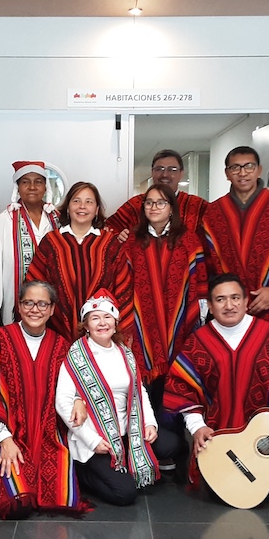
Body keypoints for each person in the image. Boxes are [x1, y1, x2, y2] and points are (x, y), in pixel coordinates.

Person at [165, 274, 269, 501]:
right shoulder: (198, 342)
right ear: (210, 305)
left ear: (246, 301)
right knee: (221, 493)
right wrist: (197, 427)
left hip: (265, 437)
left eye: (235, 298)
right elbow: (182, 388)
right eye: (220, 300)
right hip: (220, 440)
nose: (229, 306)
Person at [0, 281, 91, 519]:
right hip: (8, 435)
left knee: (60, 499)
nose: (35, 309)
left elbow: (77, 384)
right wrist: (4, 439)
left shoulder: (62, 346)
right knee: (16, 505)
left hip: (49, 437)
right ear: (19, 307)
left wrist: (79, 399)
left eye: (42, 304)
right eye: (28, 302)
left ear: (52, 310)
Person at [55, 289, 182, 506]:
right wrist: (92, 441)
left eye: (107, 317)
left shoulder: (124, 352)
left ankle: (125, 462)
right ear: (86, 325)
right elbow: (63, 402)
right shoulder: (76, 356)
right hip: (97, 436)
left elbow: (139, 390)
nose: (102, 323)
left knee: (172, 444)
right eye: (95, 318)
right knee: (125, 494)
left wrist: (149, 423)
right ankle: (82, 472)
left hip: (127, 429)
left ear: (115, 322)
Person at [119, 182, 207, 459]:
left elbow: (200, 282)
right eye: (148, 203)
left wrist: (197, 320)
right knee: (145, 387)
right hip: (142, 323)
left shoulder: (189, 240)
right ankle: (149, 449)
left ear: (172, 209)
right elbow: (121, 283)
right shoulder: (133, 242)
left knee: (177, 383)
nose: (153, 207)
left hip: (180, 324)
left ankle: (175, 450)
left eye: (160, 202)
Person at [202, 146, 269, 327]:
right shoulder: (212, 213)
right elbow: (205, 264)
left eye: (249, 166)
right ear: (227, 173)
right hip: (226, 307)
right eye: (235, 167)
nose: (242, 173)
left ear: (259, 170)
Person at [25, 182, 129, 339]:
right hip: (56, 331)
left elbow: (123, 289)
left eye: (89, 202)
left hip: (101, 334)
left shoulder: (110, 244)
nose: (82, 206)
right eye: (76, 200)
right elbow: (35, 286)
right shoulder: (51, 242)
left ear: (96, 210)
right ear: (68, 207)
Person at [0, 161, 60, 336]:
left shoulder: (57, 220)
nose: (32, 187)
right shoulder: (4, 220)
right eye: (25, 182)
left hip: (56, 311)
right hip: (15, 308)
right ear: (18, 187)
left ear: (45, 187)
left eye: (38, 181)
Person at [106, 149, 208, 236]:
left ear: (181, 174)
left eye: (172, 170)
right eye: (159, 169)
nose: (165, 174)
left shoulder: (198, 206)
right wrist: (119, 236)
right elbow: (107, 229)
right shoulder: (135, 204)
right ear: (152, 172)